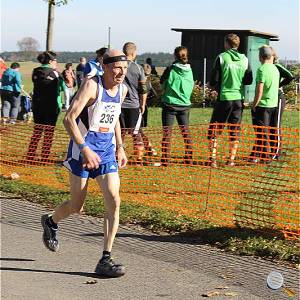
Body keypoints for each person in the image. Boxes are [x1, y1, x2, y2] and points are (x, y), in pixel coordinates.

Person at [41, 49, 128, 278]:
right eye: (117, 68)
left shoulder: (123, 89)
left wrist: (120, 146)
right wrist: (85, 148)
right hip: (82, 152)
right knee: (77, 206)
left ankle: (105, 258)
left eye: (125, 69)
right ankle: (51, 221)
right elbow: (68, 119)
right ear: (106, 66)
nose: (121, 73)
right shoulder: (92, 86)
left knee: (114, 200)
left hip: (106, 152)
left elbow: (116, 116)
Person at [207, 33, 253, 167]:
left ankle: (213, 159)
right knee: (234, 130)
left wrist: (211, 87)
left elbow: (214, 79)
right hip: (238, 100)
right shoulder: (245, 59)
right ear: (238, 45)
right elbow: (248, 80)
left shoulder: (222, 57)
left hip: (224, 99)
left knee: (215, 129)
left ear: (226, 44)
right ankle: (231, 160)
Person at [26, 51, 66, 163]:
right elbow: (63, 88)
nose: (56, 63)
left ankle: (30, 155)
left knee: (37, 131)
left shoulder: (35, 71)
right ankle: (44, 157)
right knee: (49, 132)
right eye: (55, 61)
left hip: (38, 105)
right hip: (51, 106)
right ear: (50, 61)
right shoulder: (55, 73)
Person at [160, 46, 194, 166]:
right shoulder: (189, 69)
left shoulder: (170, 68)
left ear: (175, 56)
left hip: (170, 104)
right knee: (185, 132)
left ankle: (165, 159)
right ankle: (189, 157)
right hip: (184, 104)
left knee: (167, 133)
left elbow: (162, 83)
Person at [250, 45, 280, 163]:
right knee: (267, 131)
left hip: (263, 105)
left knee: (262, 132)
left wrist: (254, 104)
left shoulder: (262, 69)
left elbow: (260, 89)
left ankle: (265, 157)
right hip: (273, 104)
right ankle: (257, 156)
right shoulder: (275, 69)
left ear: (260, 57)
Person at [120, 42, 147, 163]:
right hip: (133, 105)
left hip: (119, 105)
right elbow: (143, 89)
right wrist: (142, 104)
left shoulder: (118, 66)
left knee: (120, 132)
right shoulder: (138, 68)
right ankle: (139, 157)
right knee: (136, 133)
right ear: (133, 53)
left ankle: (118, 154)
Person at [269, 47, 294, 160]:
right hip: (270, 98)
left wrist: (279, 85)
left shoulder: (277, 66)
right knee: (270, 125)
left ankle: (277, 152)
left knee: (276, 125)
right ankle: (270, 149)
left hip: (279, 98)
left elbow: (290, 76)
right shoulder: (267, 67)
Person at [140, 63, 157, 157]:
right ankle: (149, 148)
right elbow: (154, 95)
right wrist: (147, 101)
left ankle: (148, 148)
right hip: (144, 108)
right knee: (139, 130)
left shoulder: (141, 83)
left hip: (138, 107)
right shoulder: (149, 83)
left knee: (138, 131)